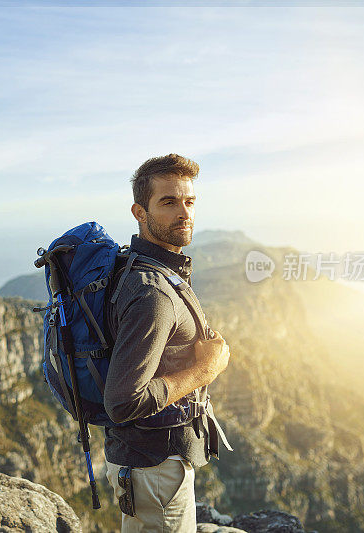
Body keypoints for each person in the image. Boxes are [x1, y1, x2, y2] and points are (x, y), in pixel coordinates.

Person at [103, 154, 231, 532]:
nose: (184, 212)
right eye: (169, 202)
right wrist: (206, 369)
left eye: (189, 201)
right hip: (155, 469)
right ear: (139, 212)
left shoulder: (144, 269)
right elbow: (123, 402)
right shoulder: (153, 295)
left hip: (147, 463)